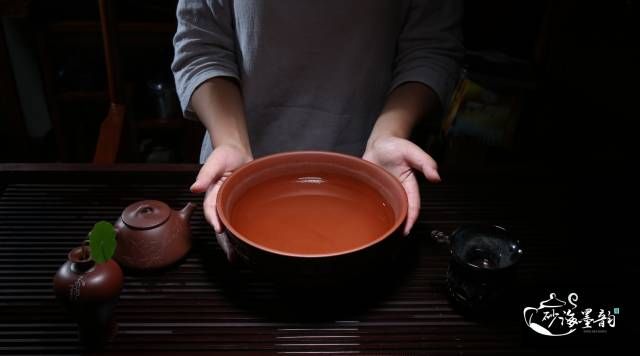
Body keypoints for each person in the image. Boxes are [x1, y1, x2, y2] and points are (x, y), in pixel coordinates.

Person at [172, 0, 463, 236]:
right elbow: (201, 46)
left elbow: (430, 49)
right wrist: (231, 144)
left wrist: (391, 133)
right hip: (237, 171)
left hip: (371, 169)